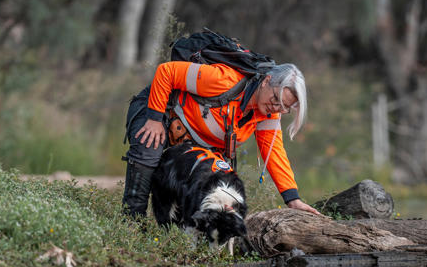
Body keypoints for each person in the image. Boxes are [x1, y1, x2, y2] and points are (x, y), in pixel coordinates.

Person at [122, 60, 321, 218]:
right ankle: (132, 220)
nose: (277, 108)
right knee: (149, 145)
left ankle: (185, 229)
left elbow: (276, 154)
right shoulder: (223, 80)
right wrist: (154, 118)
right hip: (159, 110)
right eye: (276, 99)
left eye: (284, 107)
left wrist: (292, 199)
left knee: (214, 176)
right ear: (267, 81)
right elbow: (167, 71)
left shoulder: (267, 114)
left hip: (192, 138)